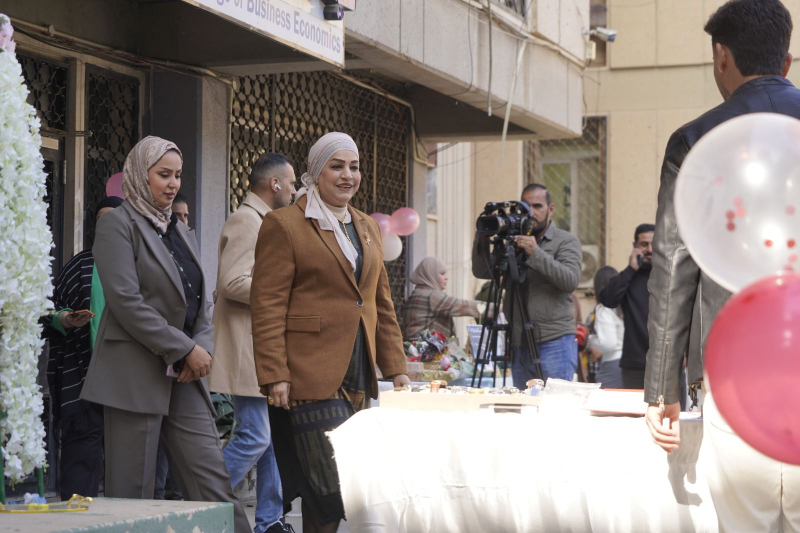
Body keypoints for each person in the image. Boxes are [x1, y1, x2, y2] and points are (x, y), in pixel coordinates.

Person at [643, 2, 800, 531]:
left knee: (747, 521)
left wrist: (662, 387)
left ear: (721, 57)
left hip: (737, 369)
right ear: (787, 60)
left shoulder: (696, 141)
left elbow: (673, 264)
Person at [80, 136, 251, 533]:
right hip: (134, 374)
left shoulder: (180, 231)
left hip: (185, 375)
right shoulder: (117, 224)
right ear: (140, 175)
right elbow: (126, 302)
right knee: (133, 495)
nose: (173, 184)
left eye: (178, 175)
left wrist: (201, 347)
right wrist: (185, 348)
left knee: (213, 484)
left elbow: (199, 305)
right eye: (163, 175)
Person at [251, 132, 410, 533]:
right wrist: (275, 373)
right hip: (308, 374)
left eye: (354, 167)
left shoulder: (367, 226)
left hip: (358, 372)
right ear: (316, 173)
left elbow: (380, 304)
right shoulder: (284, 224)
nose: (347, 175)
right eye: (336, 167)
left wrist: (397, 369)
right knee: (330, 486)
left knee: (331, 487)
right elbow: (267, 305)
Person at [208, 153, 297, 533]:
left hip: (261, 347)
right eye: (291, 182)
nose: (294, 189)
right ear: (274, 184)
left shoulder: (265, 221)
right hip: (247, 348)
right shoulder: (247, 220)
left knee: (270, 438)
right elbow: (231, 282)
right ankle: (203, 499)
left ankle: (269, 521)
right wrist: (284, 292)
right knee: (256, 436)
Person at [45, 195, 122, 501]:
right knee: (81, 460)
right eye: (101, 220)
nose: (107, 226)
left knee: (128, 467)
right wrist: (66, 318)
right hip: (84, 377)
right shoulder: (80, 265)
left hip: (128, 381)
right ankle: (74, 519)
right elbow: (48, 310)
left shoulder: (140, 264)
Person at [472, 183, 582, 387]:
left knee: (555, 401)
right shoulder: (512, 241)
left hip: (554, 340)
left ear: (551, 209)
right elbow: (482, 271)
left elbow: (570, 281)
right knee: (524, 402)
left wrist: (535, 252)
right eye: (525, 206)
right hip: (519, 340)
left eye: (537, 206)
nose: (531, 212)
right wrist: (483, 239)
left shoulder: (565, 241)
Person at [597, 223, 654, 389]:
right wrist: (630, 269)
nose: (650, 249)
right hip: (634, 365)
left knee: (670, 407)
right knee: (635, 407)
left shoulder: (671, 277)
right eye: (644, 244)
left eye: (654, 244)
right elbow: (607, 300)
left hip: (668, 364)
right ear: (635, 246)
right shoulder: (629, 277)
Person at [403, 256, 483, 340]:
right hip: (428, 347)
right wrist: (491, 308)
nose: (446, 278)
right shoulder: (432, 296)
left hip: (414, 347)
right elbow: (464, 306)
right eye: (442, 273)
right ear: (431, 274)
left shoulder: (416, 294)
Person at [586, 266, 624, 390]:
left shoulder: (604, 309)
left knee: (604, 400)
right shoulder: (625, 305)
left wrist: (591, 339)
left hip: (613, 364)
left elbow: (609, 344)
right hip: (631, 364)